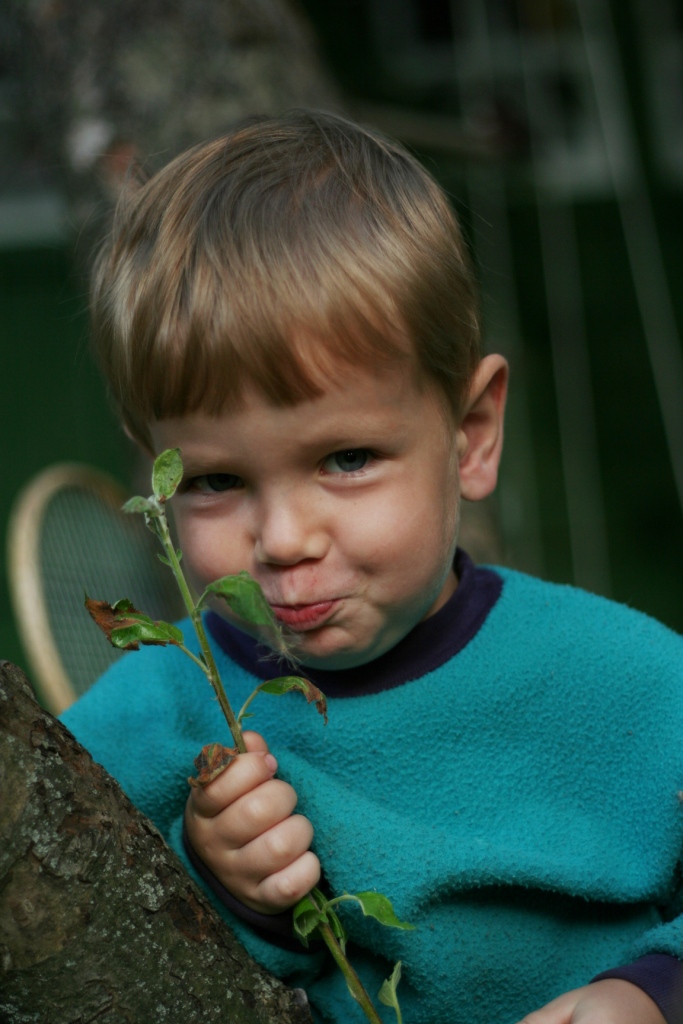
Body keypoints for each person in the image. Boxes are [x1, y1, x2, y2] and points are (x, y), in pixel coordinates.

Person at [62, 110, 683, 1024]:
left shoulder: (625, 683)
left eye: (345, 459)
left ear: (470, 436)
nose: (281, 537)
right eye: (215, 480)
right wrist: (217, 885)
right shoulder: (158, 714)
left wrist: (649, 994)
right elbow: (62, 955)